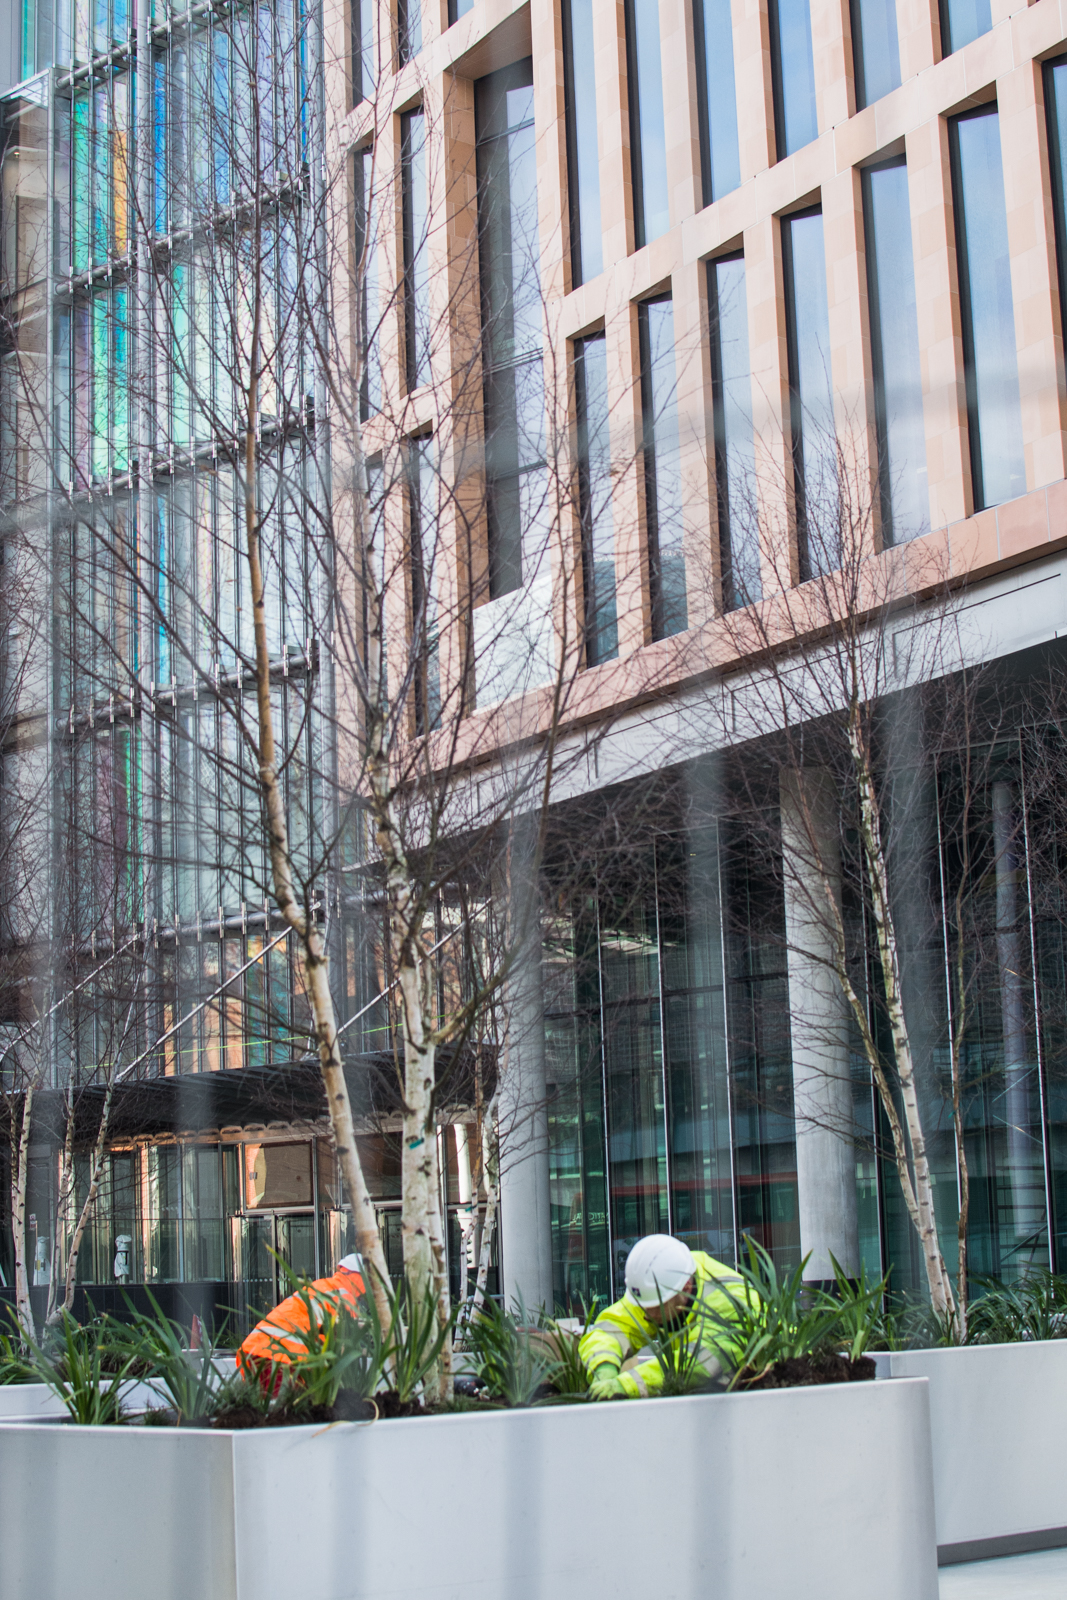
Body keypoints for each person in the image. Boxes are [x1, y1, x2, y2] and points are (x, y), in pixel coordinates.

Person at [578, 1235, 752, 1399]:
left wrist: (627, 1385)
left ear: (686, 1288)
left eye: (655, 1308)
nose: (646, 1315)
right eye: (642, 1306)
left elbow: (700, 1363)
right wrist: (604, 1368)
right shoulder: (661, 1285)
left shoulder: (729, 1301)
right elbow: (613, 1328)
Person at [237, 1253, 366, 1378]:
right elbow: (346, 1342)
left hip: (255, 1350)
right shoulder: (346, 1296)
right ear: (361, 1278)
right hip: (283, 1358)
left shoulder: (322, 1286)